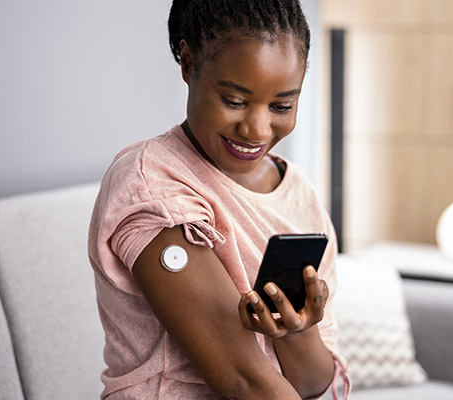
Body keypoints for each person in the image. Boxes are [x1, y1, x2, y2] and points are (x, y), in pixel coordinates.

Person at [88, 0, 350, 398]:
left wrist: (298, 333)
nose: (257, 129)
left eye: (282, 105)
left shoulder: (299, 194)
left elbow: (315, 385)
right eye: (235, 101)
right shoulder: (152, 182)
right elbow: (242, 381)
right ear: (189, 64)